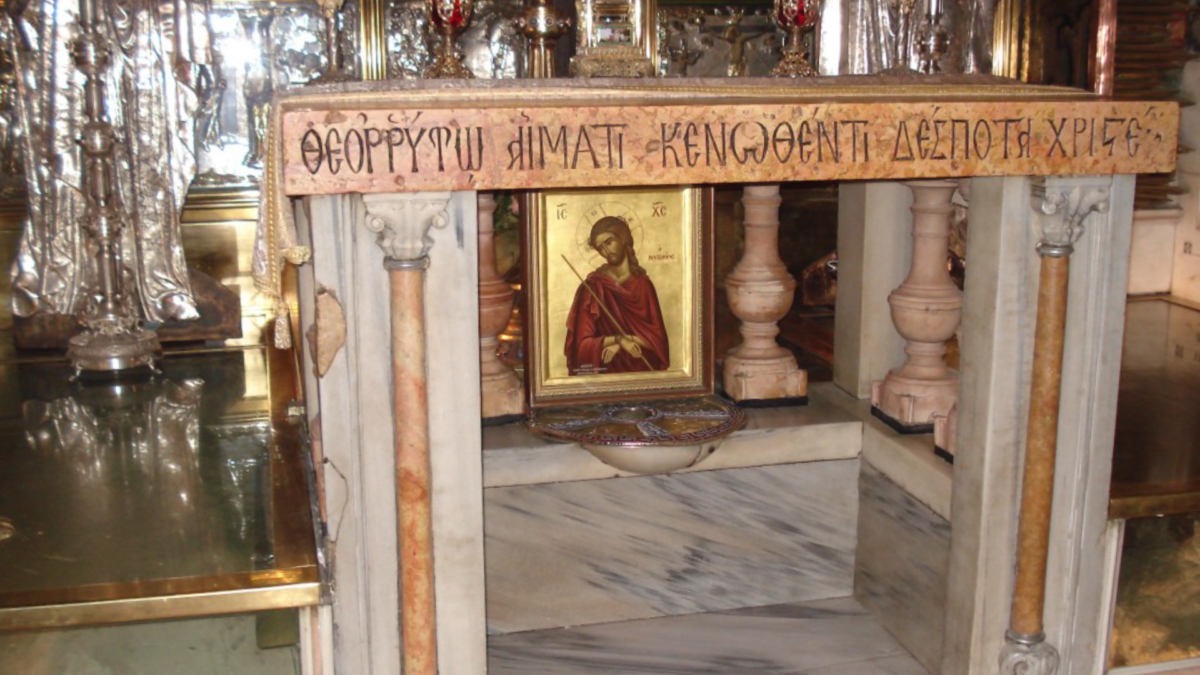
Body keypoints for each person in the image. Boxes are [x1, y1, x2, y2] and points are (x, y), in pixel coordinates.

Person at [565, 216, 669, 375]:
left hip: (642, 374)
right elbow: (582, 348)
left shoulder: (643, 285)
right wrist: (618, 339)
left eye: (609, 242)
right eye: (600, 248)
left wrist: (624, 342)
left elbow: (658, 342)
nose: (606, 252)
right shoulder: (592, 288)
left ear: (623, 238)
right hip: (604, 375)